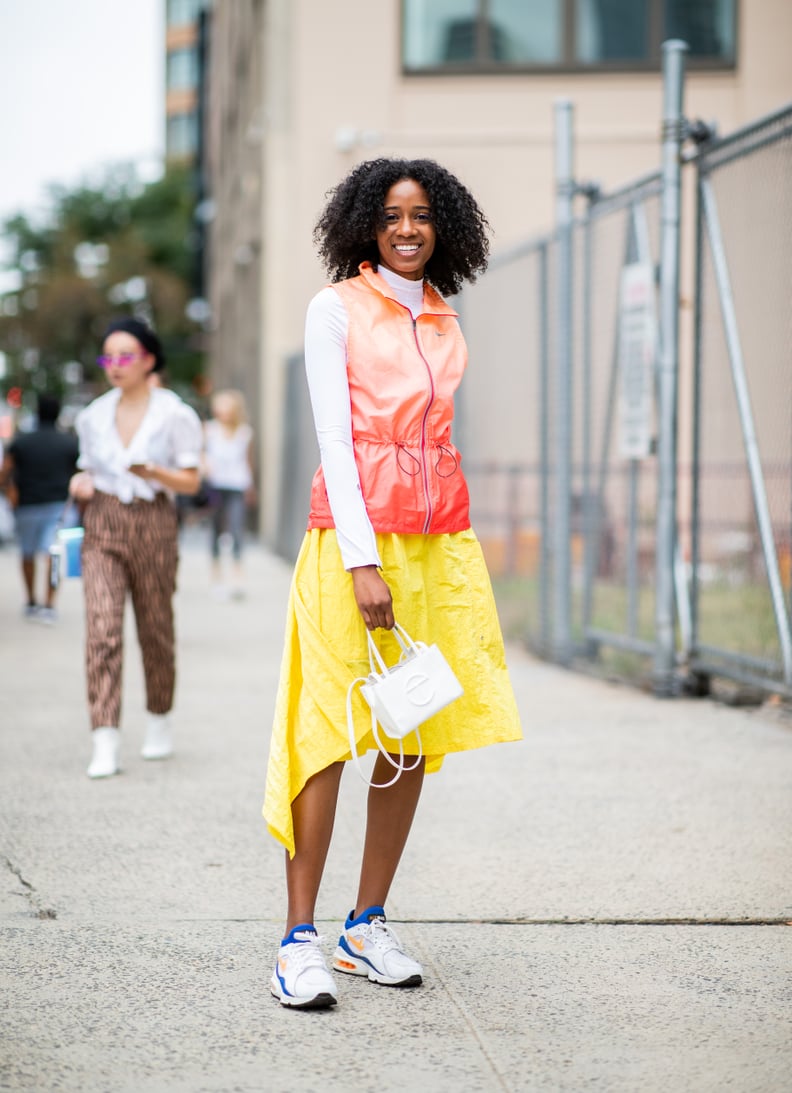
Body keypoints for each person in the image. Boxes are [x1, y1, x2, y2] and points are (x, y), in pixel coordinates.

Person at [263, 158, 523, 1010]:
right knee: (327, 731)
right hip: (353, 540)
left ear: (441, 224)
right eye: (390, 216)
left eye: (420, 215)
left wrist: (433, 551)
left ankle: (364, 924)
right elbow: (337, 442)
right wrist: (363, 559)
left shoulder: (445, 318)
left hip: (438, 540)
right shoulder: (334, 308)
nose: (406, 229)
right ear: (364, 227)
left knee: (408, 729)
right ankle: (297, 937)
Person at [69, 317, 203, 779]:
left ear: (148, 360)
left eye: (125, 356)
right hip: (103, 521)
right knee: (102, 630)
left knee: (154, 626)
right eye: (109, 357)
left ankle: (159, 717)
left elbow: (191, 479)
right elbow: (87, 469)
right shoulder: (92, 415)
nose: (115, 365)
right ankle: (104, 736)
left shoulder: (175, 413)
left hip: (154, 520)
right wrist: (79, 483)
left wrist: (155, 473)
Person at [0, 393, 79, 623]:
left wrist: (9, 492)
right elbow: (79, 473)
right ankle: (49, 604)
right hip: (59, 506)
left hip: (27, 505)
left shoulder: (22, 441)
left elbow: (5, 472)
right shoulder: (69, 442)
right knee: (53, 555)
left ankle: (31, 600)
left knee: (27, 554)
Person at [203, 388, 255, 599]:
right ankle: (216, 578)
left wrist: (251, 487)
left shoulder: (245, 432)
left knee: (236, 529)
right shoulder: (209, 430)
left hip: (237, 485)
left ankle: (236, 576)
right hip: (216, 485)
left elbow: (248, 461)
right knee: (216, 530)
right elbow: (201, 454)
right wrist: (204, 464)